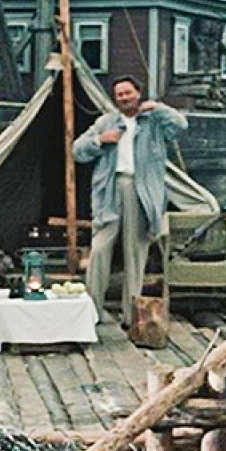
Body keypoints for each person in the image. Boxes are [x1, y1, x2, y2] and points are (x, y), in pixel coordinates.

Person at [72, 74, 187, 325]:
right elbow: (78, 151)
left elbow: (181, 126)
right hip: (111, 190)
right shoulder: (106, 122)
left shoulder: (154, 122)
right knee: (100, 249)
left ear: (138, 93)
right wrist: (100, 140)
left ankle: (130, 314)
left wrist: (159, 107)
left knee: (136, 252)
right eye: (119, 94)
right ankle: (91, 312)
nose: (124, 98)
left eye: (128, 93)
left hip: (141, 189)